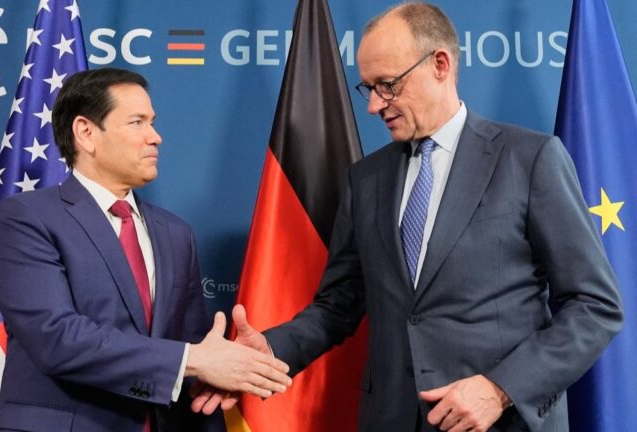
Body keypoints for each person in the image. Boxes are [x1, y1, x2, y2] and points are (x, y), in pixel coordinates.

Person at [193, 3, 623, 431]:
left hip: (500, 422)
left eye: (388, 85)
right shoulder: (365, 179)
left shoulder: (529, 158)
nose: (374, 105)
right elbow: (339, 304)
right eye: (368, 88)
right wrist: (269, 351)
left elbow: (594, 305)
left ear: (440, 65)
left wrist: (500, 388)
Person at [0, 68, 291, 432]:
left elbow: (192, 352)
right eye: (137, 123)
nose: (155, 137)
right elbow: (56, 337)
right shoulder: (26, 217)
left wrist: (221, 368)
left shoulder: (175, 233)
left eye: (152, 122)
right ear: (86, 133)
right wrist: (193, 360)